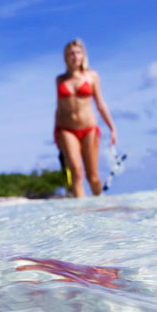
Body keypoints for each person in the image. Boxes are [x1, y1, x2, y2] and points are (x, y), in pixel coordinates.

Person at [54, 39, 117, 197]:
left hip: (89, 128)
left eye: (77, 52)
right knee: (76, 173)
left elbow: (100, 104)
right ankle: (80, 218)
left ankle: (99, 205)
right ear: (66, 57)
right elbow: (59, 107)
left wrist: (112, 128)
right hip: (66, 130)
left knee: (93, 176)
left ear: (83, 55)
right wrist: (56, 131)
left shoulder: (92, 76)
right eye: (70, 53)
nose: (74, 56)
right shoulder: (60, 79)